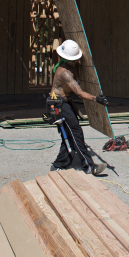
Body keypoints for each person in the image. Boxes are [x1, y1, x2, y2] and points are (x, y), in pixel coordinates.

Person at [49, 39, 108, 175]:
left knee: (69, 136)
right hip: (59, 105)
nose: (75, 62)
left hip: (64, 102)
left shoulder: (70, 65)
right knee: (76, 133)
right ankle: (89, 166)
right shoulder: (64, 72)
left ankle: (58, 165)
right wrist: (96, 98)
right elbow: (80, 93)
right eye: (73, 59)